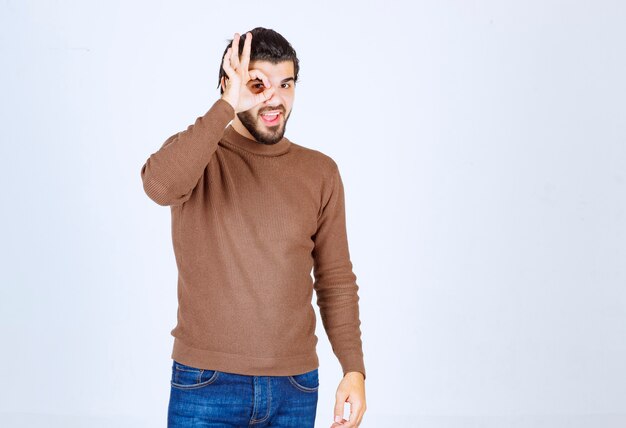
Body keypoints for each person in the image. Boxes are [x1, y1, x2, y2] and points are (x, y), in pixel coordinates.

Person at [140, 27, 367, 427]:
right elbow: (159, 186)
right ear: (230, 84)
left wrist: (353, 368)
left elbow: (335, 279)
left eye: (286, 84)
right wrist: (226, 106)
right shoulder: (200, 157)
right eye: (257, 84)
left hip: (295, 387)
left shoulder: (320, 171)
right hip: (206, 383)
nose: (274, 98)